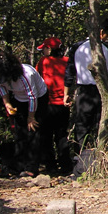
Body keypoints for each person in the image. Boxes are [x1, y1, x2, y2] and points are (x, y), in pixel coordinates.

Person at [64, 19, 108, 152]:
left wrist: (66, 93)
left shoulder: (77, 47)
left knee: (82, 127)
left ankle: (79, 158)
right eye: (107, 33)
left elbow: (70, 71)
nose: (107, 36)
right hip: (104, 91)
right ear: (101, 32)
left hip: (84, 92)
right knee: (102, 126)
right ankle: (102, 156)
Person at [0, 50, 49, 177]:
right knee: (20, 131)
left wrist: (31, 117)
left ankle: (31, 168)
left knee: (33, 131)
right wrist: (7, 103)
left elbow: (33, 97)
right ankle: (19, 165)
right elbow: (1, 87)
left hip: (38, 99)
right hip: (19, 99)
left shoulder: (26, 74)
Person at [35, 37, 72, 174]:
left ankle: (50, 166)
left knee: (46, 136)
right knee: (61, 135)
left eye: (44, 48)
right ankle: (65, 165)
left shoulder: (44, 62)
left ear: (49, 49)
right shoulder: (67, 61)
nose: (43, 51)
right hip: (63, 105)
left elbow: (36, 78)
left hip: (47, 105)